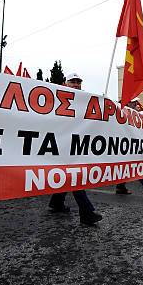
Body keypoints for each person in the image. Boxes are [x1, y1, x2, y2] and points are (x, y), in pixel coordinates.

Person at [48, 73, 103, 226]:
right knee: (74, 175)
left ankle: (56, 202)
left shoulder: (83, 100)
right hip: (59, 142)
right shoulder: (55, 95)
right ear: (65, 83)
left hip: (73, 144)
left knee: (69, 174)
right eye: (72, 81)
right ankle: (87, 213)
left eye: (78, 82)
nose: (76, 84)